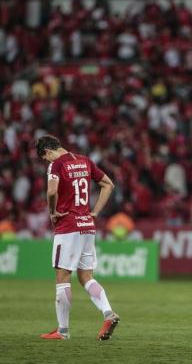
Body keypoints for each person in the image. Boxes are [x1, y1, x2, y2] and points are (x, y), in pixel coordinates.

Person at [36, 135, 119, 340]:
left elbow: (51, 191)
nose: (46, 162)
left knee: (63, 278)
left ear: (46, 152)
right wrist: (96, 212)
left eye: (44, 158)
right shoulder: (85, 160)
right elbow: (108, 184)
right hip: (87, 226)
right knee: (86, 277)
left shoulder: (55, 165)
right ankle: (108, 313)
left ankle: (62, 331)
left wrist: (52, 212)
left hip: (68, 226)